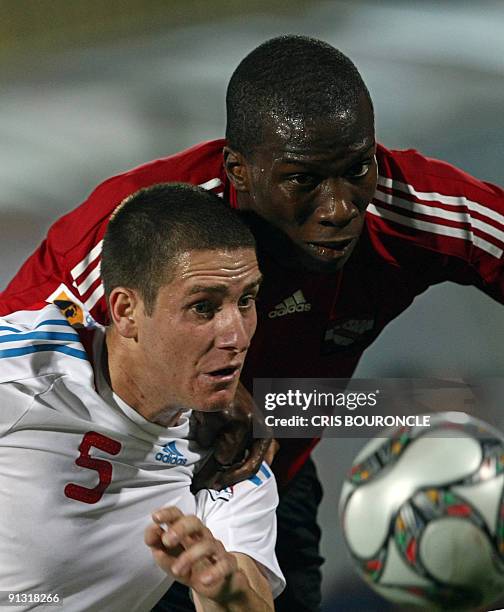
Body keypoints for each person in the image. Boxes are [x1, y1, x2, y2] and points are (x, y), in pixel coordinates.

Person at [1, 35, 504, 611]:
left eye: (356, 168)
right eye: (303, 181)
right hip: (122, 485)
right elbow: (32, 326)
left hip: (256, 475)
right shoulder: (151, 226)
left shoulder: (417, 208)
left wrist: (261, 406)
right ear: (238, 170)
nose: (339, 208)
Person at [0, 183, 284, 612]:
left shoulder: (231, 454)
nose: (236, 336)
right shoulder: (25, 371)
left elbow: (250, 601)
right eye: (203, 307)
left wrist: (225, 592)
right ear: (126, 312)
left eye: (246, 300)